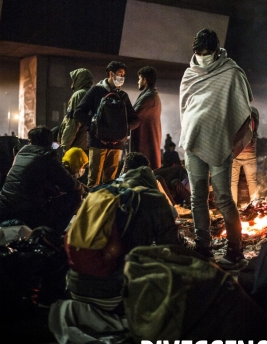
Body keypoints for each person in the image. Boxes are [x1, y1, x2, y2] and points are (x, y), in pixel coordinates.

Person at [65, 160, 182, 312]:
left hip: (74, 287)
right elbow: (171, 248)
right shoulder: (154, 199)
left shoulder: (100, 192)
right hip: (112, 294)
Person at [179, 28, 253, 269]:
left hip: (220, 142)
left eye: (206, 52)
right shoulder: (190, 73)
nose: (203, 56)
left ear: (216, 50)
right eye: (198, 52)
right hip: (193, 141)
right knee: (197, 195)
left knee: (223, 197)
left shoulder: (231, 72)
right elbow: (185, 107)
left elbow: (243, 110)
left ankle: (235, 249)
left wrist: (234, 142)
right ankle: (203, 245)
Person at [0, 126, 85, 232]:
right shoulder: (47, 156)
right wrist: (83, 189)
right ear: (49, 143)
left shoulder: (20, 154)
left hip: (5, 208)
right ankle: (51, 234)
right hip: (27, 212)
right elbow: (71, 185)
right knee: (75, 195)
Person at [74, 61, 139, 187]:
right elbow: (79, 112)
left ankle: (106, 205)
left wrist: (124, 130)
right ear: (111, 74)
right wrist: (94, 126)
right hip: (98, 143)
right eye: (120, 74)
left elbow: (135, 119)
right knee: (94, 181)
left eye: (123, 75)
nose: (122, 78)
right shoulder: (96, 91)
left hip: (116, 145)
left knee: (110, 182)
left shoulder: (122, 95)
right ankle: (92, 205)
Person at [130, 66, 162, 170]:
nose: (138, 82)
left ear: (144, 80)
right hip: (146, 144)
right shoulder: (151, 95)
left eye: (139, 79)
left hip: (144, 144)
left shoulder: (149, 97)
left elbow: (133, 115)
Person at [58, 68, 93, 154]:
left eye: (74, 80)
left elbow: (73, 123)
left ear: (79, 80)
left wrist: (65, 145)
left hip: (76, 145)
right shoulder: (91, 93)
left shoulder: (78, 95)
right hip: (87, 144)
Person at [231, 107, 259, 206]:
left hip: (236, 154)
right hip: (250, 152)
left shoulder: (235, 113)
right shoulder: (254, 113)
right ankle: (256, 206)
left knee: (233, 182)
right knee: (252, 181)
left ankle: (233, 207)